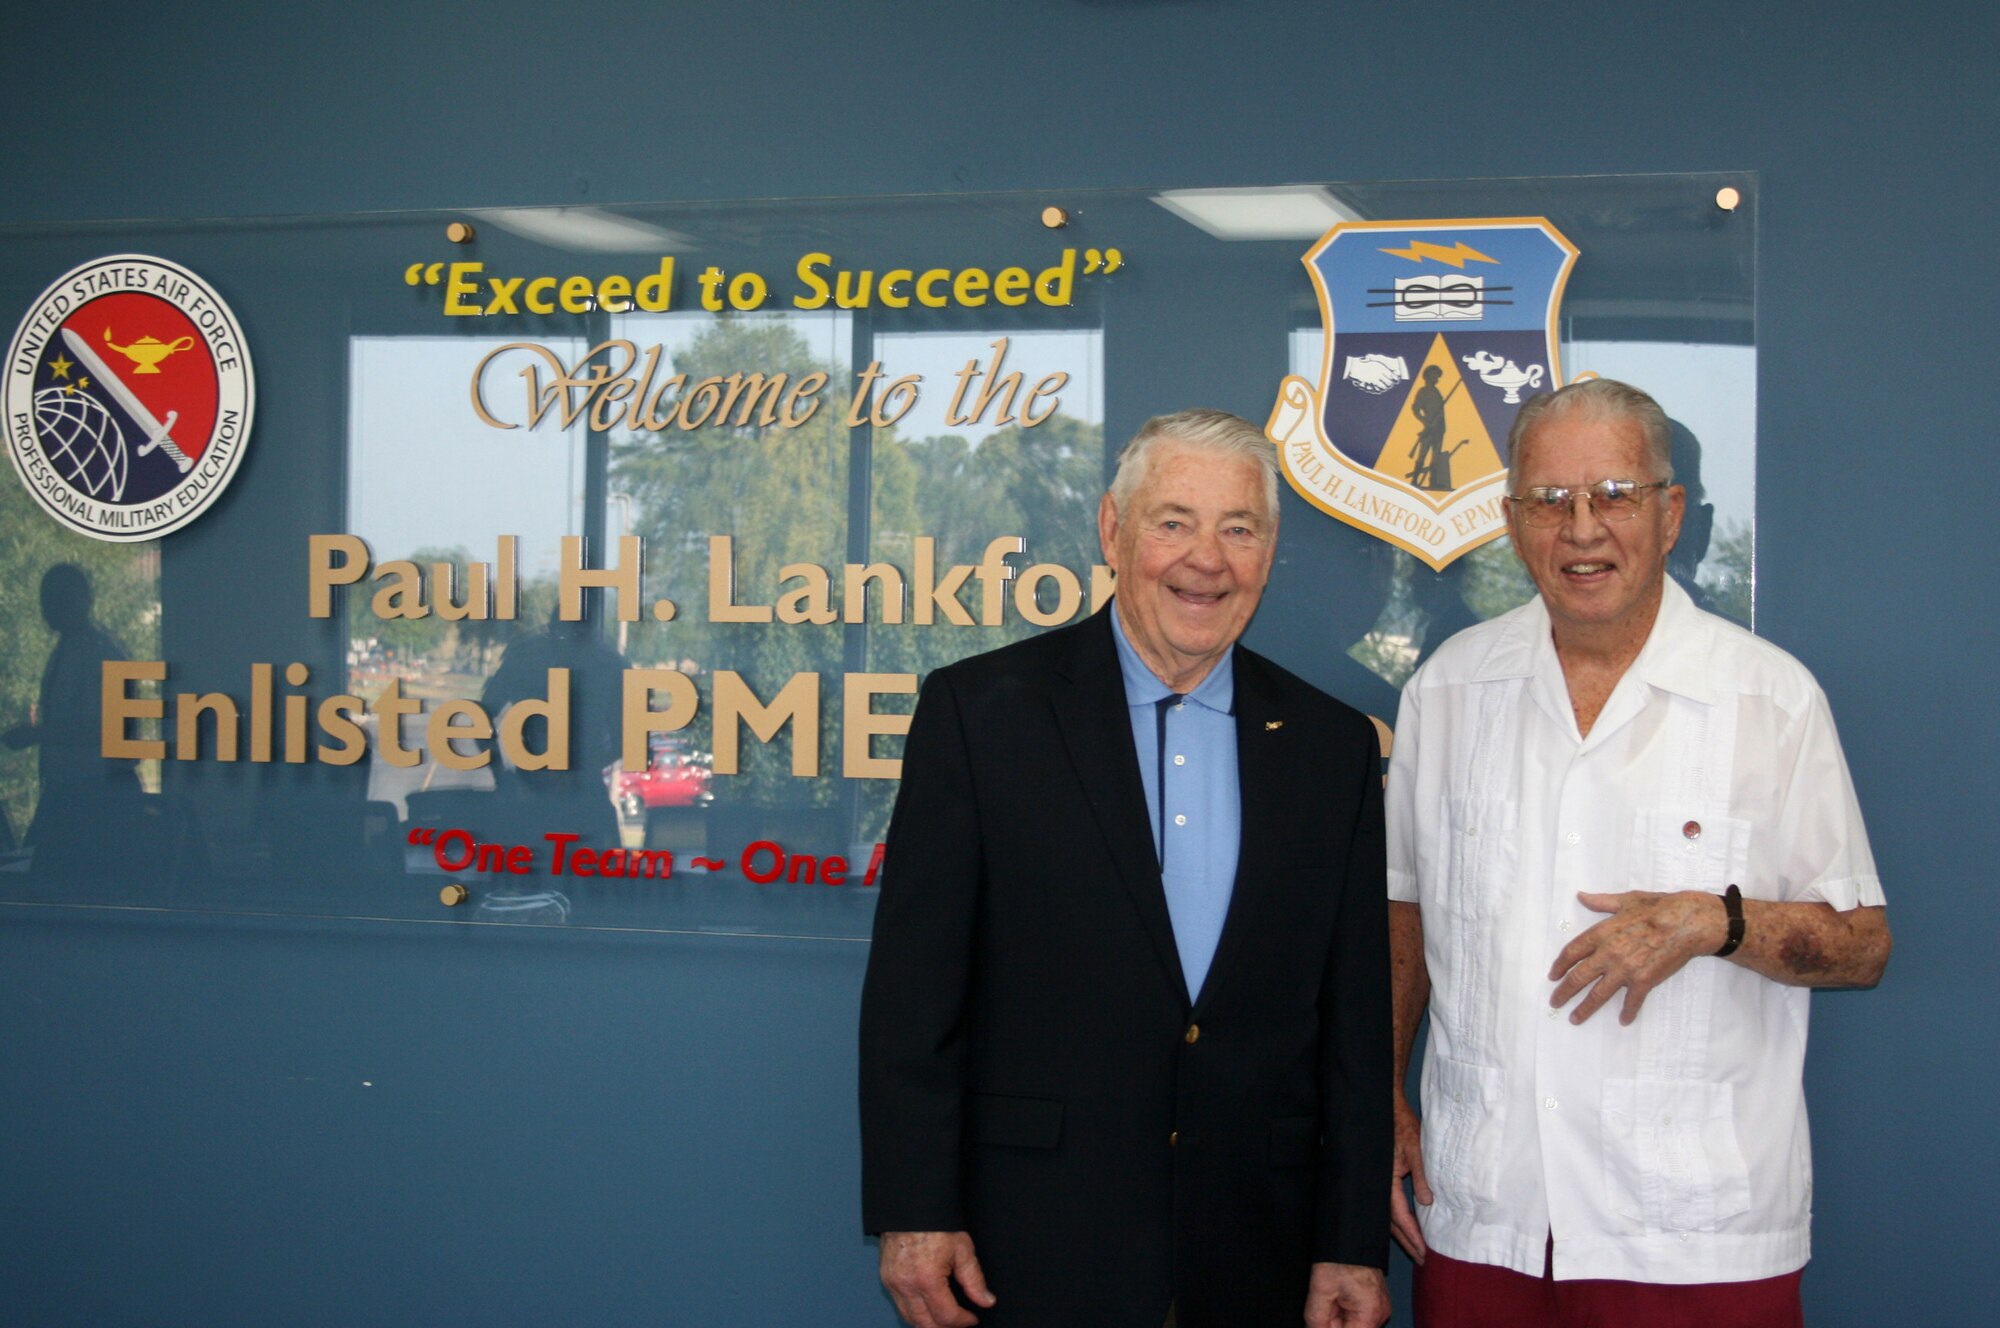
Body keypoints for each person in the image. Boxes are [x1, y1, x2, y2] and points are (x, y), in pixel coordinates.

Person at [860, 409, 1393, 1328]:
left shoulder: (1331, 747)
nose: (1207, 560)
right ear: (1114, 531)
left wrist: (1349, 1239)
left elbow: (1354, 1023)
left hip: (1256, 1252)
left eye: (1240, 528)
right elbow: (915, 998)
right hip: (1030, 1242)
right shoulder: (981, 715)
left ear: (1269, 551)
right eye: (1173, 521)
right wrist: (915, 1213)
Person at [1385, 378, 1891, 1326]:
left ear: (1668, 515)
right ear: (1511, 519)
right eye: (1550, 500)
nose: (1582, 529)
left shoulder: (1770, 701)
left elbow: (1862, 944)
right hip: (1485, 1216)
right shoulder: (1447, 692)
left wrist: (1714, 920)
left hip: (1695, 1233)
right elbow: (1405, 911)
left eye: (1614, 495)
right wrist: (1383, 1096)